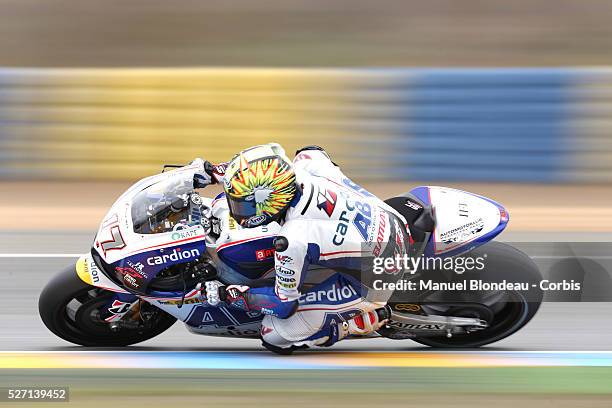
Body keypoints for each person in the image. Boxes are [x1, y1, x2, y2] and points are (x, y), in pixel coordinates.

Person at [201, 143, 411, 353]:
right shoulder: (308, 163)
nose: (237, 211)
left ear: (271, 201)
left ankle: (361, 320)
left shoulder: (293, 238)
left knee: (273, 334)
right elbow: (314, 150)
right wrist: (229, 173)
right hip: (393, 219)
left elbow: (284, 305)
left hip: (379, 274)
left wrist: (231, 296)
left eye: (243, 205)